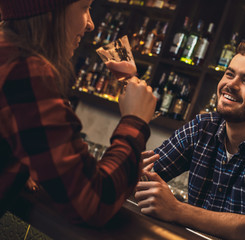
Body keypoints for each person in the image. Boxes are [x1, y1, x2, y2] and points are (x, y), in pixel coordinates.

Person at [0, 0, 156, 227]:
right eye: (84, 7)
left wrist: (29, 162)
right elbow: (94, 201)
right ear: (51, 11)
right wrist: (135, 121)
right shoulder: (24, 70)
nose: (91, 24)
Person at [135, 41, 245, 240]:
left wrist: (176, 210)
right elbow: (140, 175)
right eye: (230, 74)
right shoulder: (203, 127)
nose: (231, 85)